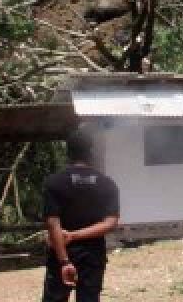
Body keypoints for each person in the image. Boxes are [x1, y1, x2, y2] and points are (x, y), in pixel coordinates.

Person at [42, 128, 120, 302]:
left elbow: (53, 224)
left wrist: (64, 262)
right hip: (93, 256)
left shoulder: (54, 183)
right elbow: (110, 223)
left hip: (60, 254)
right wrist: (75, 235)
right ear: (91, 151)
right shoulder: (107, 184)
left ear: (68, 152)